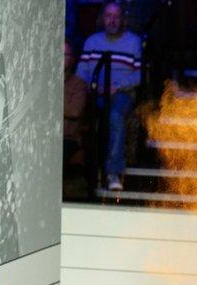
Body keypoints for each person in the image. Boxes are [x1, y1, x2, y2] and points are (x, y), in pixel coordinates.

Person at [75, 1, 142, 191]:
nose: (112, 20)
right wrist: (92, 87)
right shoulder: (92, 42)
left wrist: (117, 87)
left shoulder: (133, 41)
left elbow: (138, 75)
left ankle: (113, 172)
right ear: (102, 19)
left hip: (122, 94)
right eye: (108, 16)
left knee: (114, 116)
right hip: (95, 93)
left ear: (122, 20)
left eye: (116, 16)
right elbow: (82, 72)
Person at [63, 39, 88, 170]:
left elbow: (75, 111)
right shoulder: (43, 82)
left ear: (71, 59)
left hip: (66, 138)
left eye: (65, 55)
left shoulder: (78, 84)